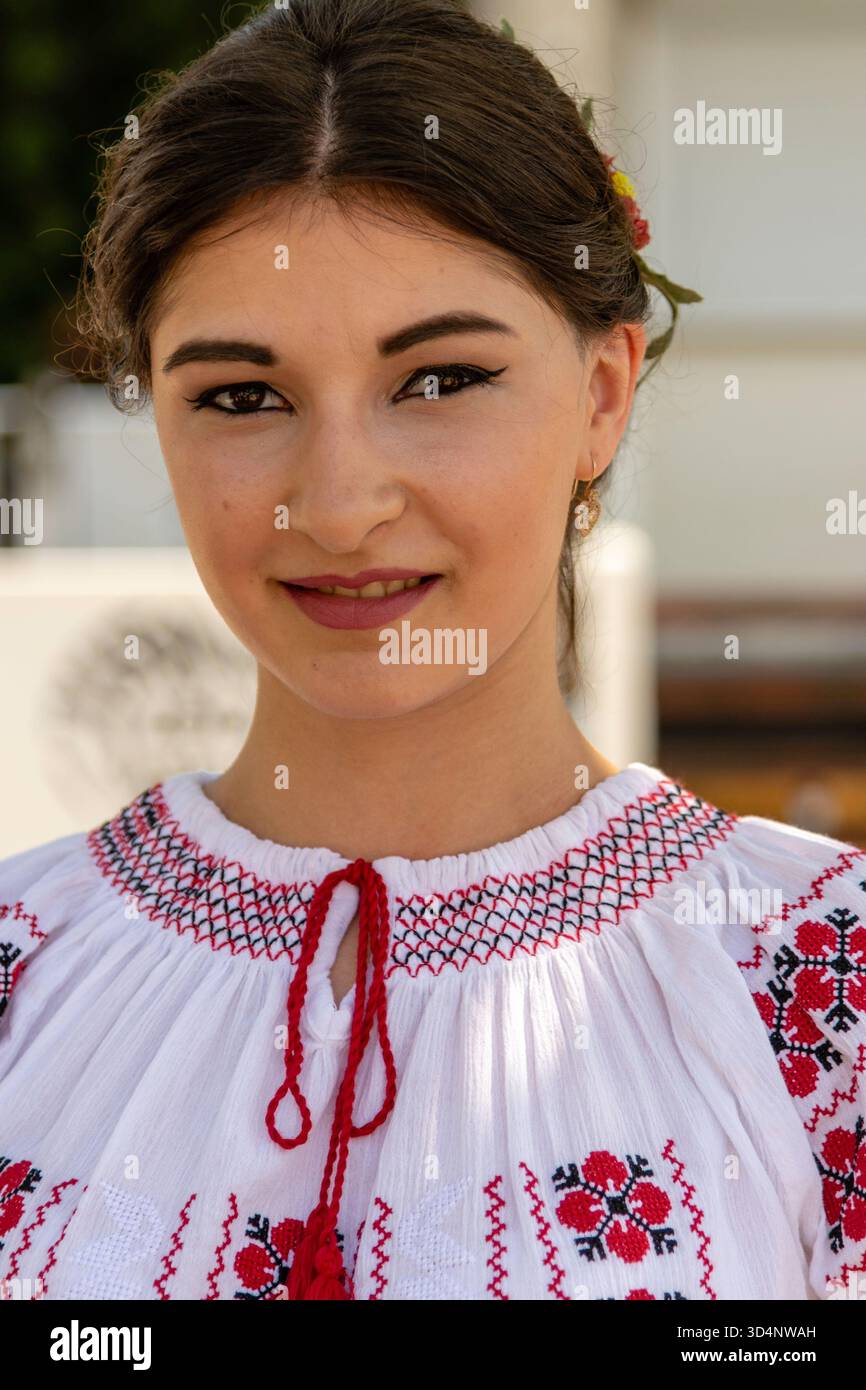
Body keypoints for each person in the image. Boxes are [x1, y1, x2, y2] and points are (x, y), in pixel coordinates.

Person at [1, 0, 864, 1302]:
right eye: (242, 397)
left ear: (601, 393)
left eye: (440, 378)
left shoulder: (825, 984)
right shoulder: (25, 970)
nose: (340, 503)